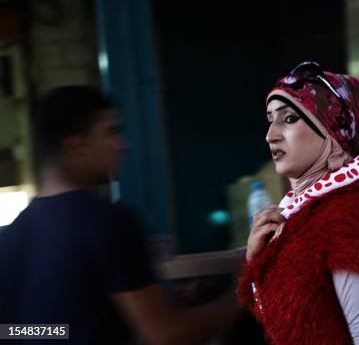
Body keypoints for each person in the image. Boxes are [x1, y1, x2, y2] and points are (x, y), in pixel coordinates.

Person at [0, 86, 240, 345]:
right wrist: (246, 292)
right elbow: (166, 335)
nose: (122, 145)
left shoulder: (8, 239)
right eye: (111, 132)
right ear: (76, 145)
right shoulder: (106, 222)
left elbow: (18, 330)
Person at [239, 62, 359, 344]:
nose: (270, 134)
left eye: (289, 119)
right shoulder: (305, 214)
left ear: (337, 130)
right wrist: (258, 262)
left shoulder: (351, 216)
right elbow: (287, 328)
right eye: (270, 119)